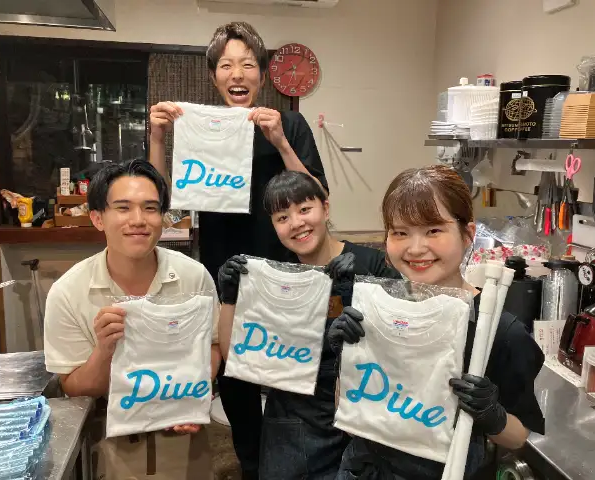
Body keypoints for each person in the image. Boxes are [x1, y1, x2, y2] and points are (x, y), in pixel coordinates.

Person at [148, 22, 328, 479]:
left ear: (262, 76)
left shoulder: (288, 123)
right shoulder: (201, 129)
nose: (238, 74)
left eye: (248, 64)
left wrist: (281, 143)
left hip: (286, 275)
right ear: (214, 77)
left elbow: (318, 194)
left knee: (291, 382)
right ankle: (252, 466)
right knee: (235, 381)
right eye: (227, 65)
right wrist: (158, 137)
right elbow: (161, 202)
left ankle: (294, 465)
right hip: (225, 276)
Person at [329, 165, 545, 479]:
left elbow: (519, 437)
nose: (416, 248)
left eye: (433, 230)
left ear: (468, 234)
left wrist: (491, 414)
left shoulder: (498, 332)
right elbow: (351, 421)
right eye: (400, 232)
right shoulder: (377, 312)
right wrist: (345, 361)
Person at [43, 160, 222, 479]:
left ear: (162, 217)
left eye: (150, 208)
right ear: (98, 218)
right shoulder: (68, 292)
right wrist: (104, 351)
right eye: (123, 208)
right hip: (111, 442)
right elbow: (73, 386)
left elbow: (213, 344)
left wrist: (195, 392)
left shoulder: (193, 276)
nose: (138, 220)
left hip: (186, 440)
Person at [217, 171, 400, 479]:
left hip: (364, 419)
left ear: (325, 208)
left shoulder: (372, 264)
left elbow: (402, 346)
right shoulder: (274, 278)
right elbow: (234, 356)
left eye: (304, 209)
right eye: (282, 217)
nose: (296, 223)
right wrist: (230, 298)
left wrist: (361, 294)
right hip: (292, 426)